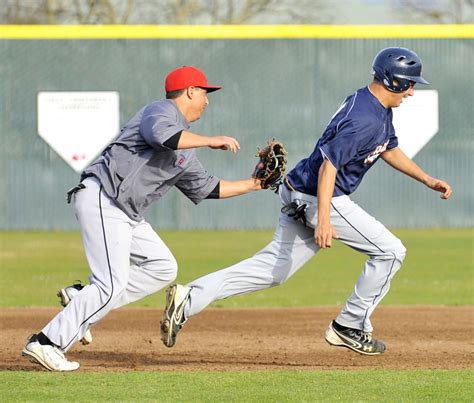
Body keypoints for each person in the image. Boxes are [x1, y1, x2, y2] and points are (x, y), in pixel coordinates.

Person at [160, 47, 453, 356]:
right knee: (391, 252)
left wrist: (427, 179)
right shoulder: (364, 118)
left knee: (274, 270)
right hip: (321, 196)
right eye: (409, 84)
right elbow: (330, 167)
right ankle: (349, 325)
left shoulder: (374, 106)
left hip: (299, 190)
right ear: (392, 81)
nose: (411, 91)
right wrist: (324, 220)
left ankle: (188, 299)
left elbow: (388, 148)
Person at [22, 66, 263, 371]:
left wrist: (255, 184)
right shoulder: (160, 111)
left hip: (126, 213)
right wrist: (210, 140)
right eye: (204, 92)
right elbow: (162, 136)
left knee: (162, 267)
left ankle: (82, 298)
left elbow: (207, 187)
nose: (207, 100)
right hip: (104, 197)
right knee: (110, 284)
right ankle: (46, 342)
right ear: (189, 91)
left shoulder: (185, 150)